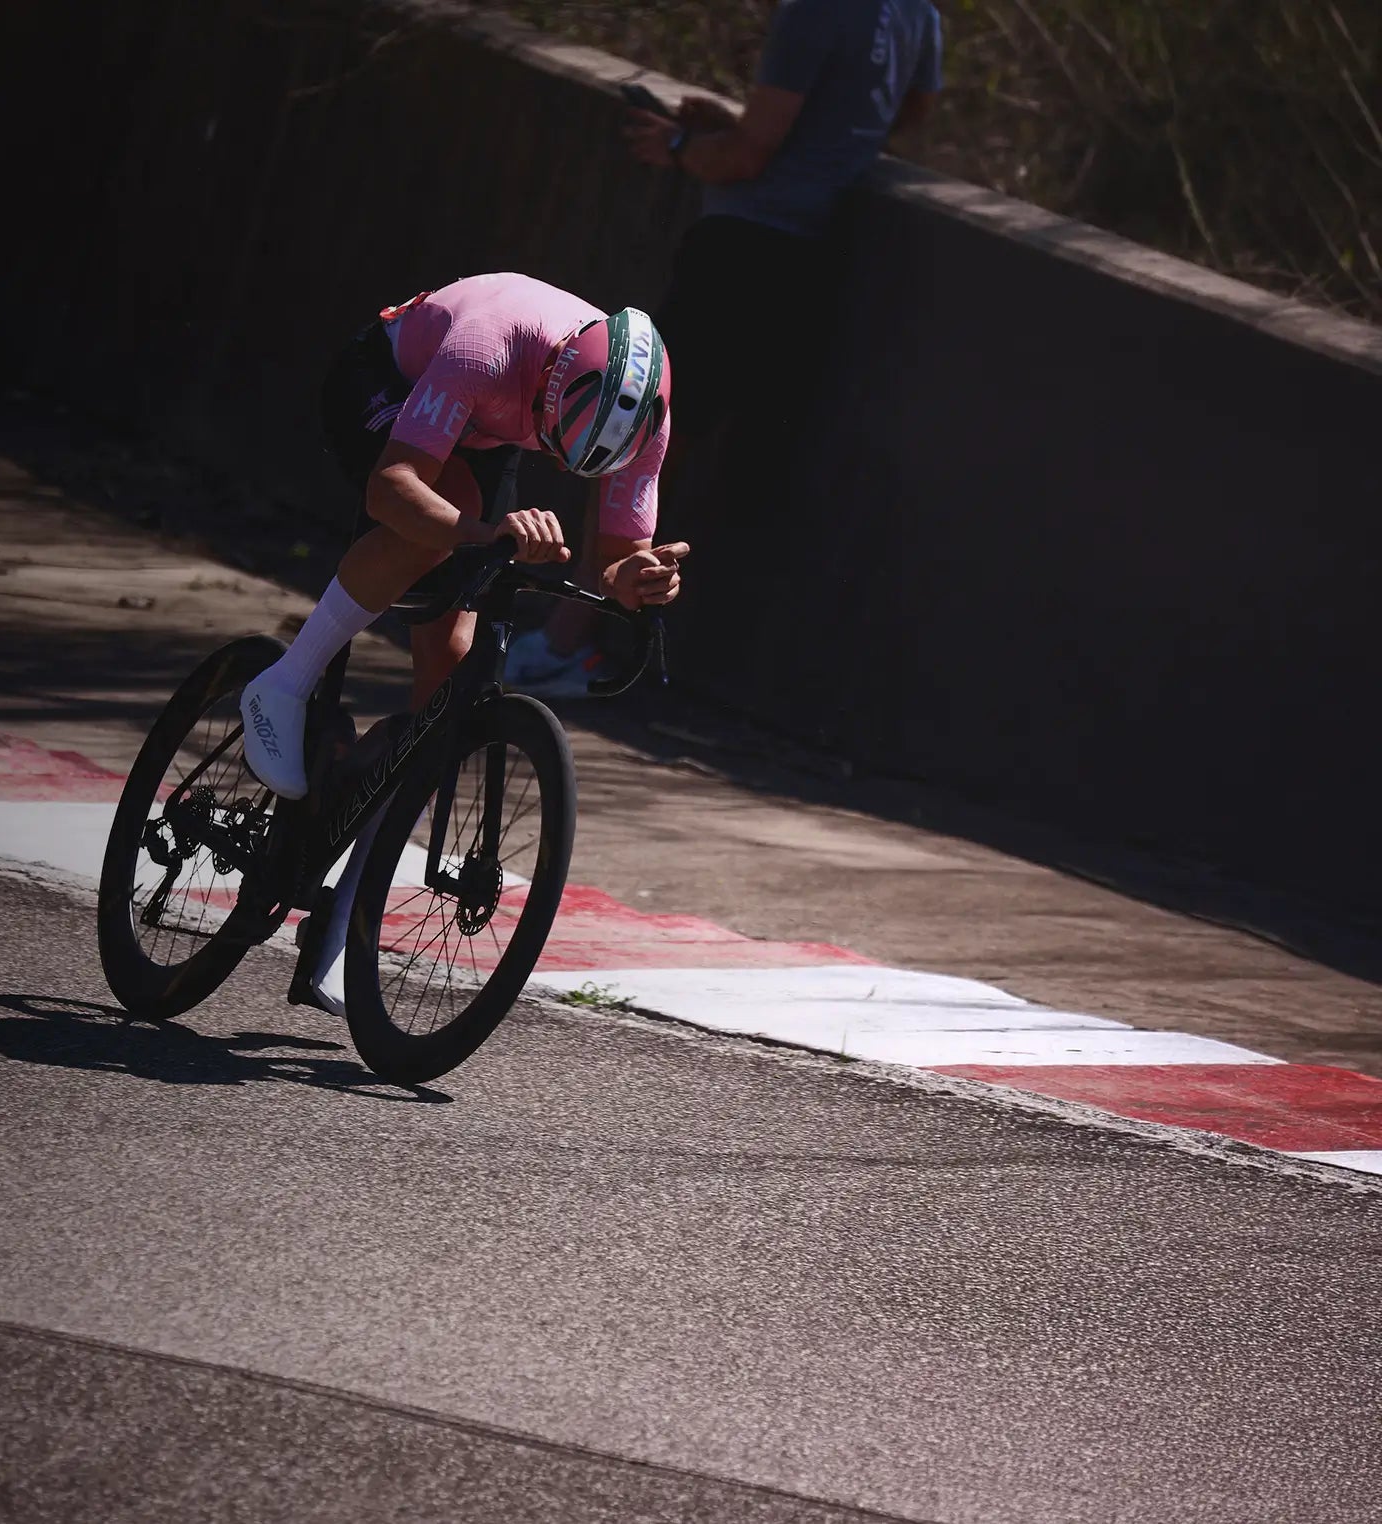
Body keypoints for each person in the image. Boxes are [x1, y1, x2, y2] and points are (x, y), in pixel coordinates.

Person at [239, 272, 690, 1014]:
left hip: (488, 429)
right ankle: (285, 681)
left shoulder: (645, 420)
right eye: (555, 444)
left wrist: (638, 580)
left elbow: (616, 560)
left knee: (443, 698)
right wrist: (480, 534)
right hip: (388, 382)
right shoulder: (490, 346)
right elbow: (392, 487)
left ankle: (340, 926)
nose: (559, 467)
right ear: (551, 386)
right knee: (445, 521)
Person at [506, 0, 942, 689]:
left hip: (741, 253)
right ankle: (597, 638)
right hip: (814, 254)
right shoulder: (916, 12)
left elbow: (743, 158)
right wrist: (799, 136)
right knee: (687, 451)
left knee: (633, 438)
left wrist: (680, 146)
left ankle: (569, 642)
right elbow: (909, 108)